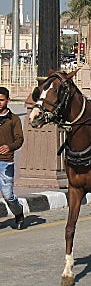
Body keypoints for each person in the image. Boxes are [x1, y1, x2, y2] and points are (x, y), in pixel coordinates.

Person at [0, 87, 24, 229]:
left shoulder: (13, 119)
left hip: (6, 162)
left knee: (8, 196)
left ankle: (18, 213)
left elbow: (19, 139)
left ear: (8, 101)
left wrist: (9, 147)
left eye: (1, 100)